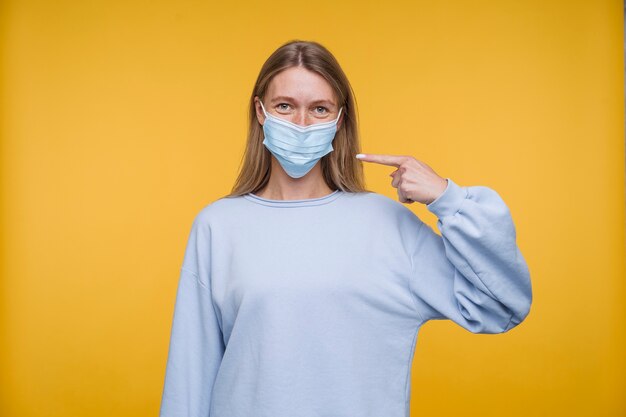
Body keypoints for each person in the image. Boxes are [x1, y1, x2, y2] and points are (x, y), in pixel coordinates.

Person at [158, 39, 532, 417]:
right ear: (260, 111)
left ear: (339, 120)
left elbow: (501, 305)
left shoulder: (388, 225)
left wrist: (447, 199)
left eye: (319, 109)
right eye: (285, 106)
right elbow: (190, 379)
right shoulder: (218, 226)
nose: (301, 124)